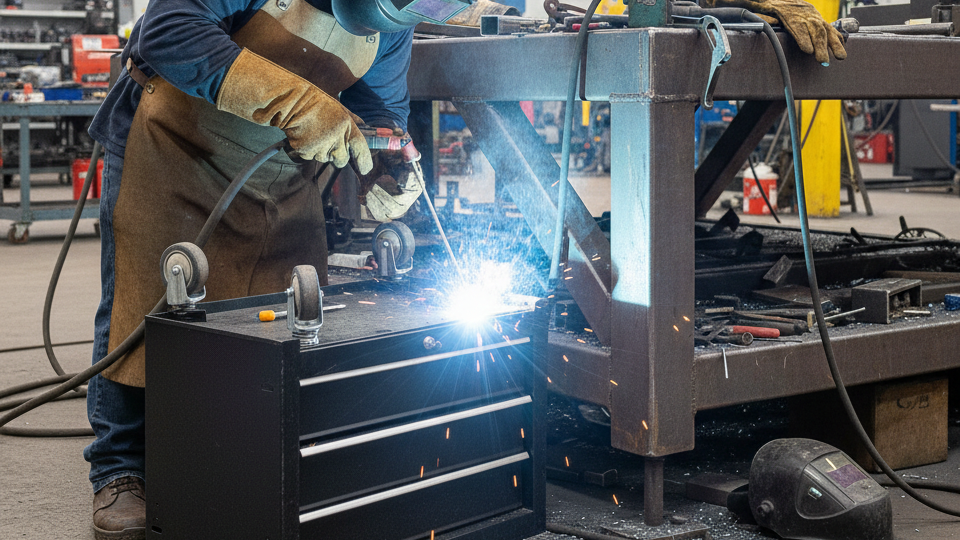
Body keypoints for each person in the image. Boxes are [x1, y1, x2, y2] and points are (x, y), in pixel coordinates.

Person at [82, 0, 844, 538]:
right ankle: (118, 470)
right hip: (174, 150)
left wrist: (390, 167)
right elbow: (169, 29)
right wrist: (297, 105)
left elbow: (382, 110)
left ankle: (231, 462)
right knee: (146, 307)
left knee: (278, 323)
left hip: (274, 181)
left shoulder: (391, 28)